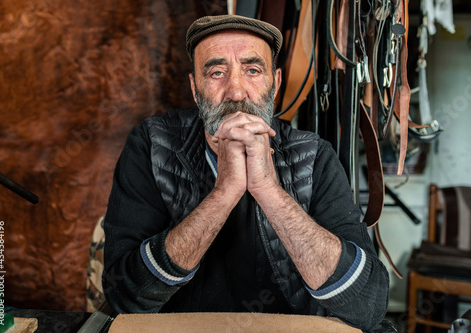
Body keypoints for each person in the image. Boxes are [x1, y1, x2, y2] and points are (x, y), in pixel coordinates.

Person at [102, 14, 389, 331]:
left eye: (253, 70)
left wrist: (268, 190)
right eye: (216, 72)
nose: (236, 91)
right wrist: (225, 192)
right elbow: (124, 296)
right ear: (195, 89)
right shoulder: (152, 144)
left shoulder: (313, 154)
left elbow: (368, 304)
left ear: (275, 83)